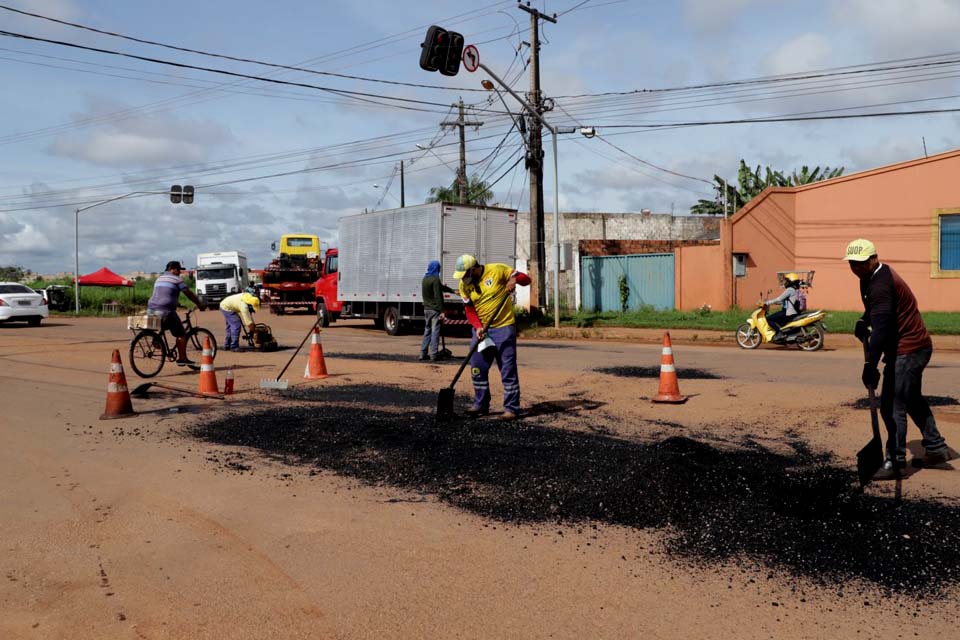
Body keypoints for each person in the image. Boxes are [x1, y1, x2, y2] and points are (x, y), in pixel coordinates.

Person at [844, 238, 952, 479]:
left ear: (874, 259)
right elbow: (877, 312)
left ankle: (896, 461)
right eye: (852, 263)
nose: (856, 267)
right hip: (911, 346)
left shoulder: (880, 284)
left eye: (860, 262)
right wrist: (864, 320)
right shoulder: (870, 278)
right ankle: (936, 448)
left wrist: (870, 365)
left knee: (892, 404)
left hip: (910, 349)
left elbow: (881, 330)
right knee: (910, 398)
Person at [452, 254, 531, 420]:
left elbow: (526, 280)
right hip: (481, 330)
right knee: (477, 368)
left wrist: (514, 279)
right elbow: (469, 310)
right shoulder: (463, 285)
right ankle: (481, 404)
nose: (463, 279)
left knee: (507, 369)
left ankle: (511, 408)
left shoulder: (497, 270)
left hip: (503, 328)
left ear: (474, 269)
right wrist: (478, 327)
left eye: (465, 275)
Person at [146, 261, 206, 366]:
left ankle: (157, 342)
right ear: (173, 269)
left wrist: (177, 303)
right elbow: (188, 293)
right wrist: (199, 303)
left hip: (151, 309)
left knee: (164, 326)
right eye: (179, 270)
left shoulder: (159, 278)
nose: (180, 272)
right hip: (165, 310)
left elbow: (164, 294)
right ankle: (182, 358)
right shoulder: (176, 279)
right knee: (181, 334)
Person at [420, 260, 456, 361]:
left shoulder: (425, 279)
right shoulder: (435, 279)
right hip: (435, 309)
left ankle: (422, 353)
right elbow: (438, 295)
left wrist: (452, 291)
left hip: (426, 309)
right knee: (435, 331)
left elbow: (441, 288)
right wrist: (442, 311)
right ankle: (434, 354)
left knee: (427, 330)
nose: (439, 270)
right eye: (439, 268)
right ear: (436, 268)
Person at [219, 287, 260, 352]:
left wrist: (252, 328)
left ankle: (227, 345)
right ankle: (234, 346)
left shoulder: (248, 297)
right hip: (226, 307)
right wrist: (255, 332)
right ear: (250, 305)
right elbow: (248, 322)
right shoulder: (244, 307)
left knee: (230, 327)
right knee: (236, 325)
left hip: (226, 304)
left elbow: (250, 318)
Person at [764, 272, 802, 339]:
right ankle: (786, 334)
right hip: (792, 312)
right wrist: (776, 303)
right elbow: (787, 302)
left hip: (787, 312)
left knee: (769, 319)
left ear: (791, 281)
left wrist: (767, 303)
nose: (785, 282)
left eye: (787, 281)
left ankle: (779, 333)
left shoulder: (790, 289)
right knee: (779, 322)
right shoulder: (795, 290)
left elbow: (779, 298)